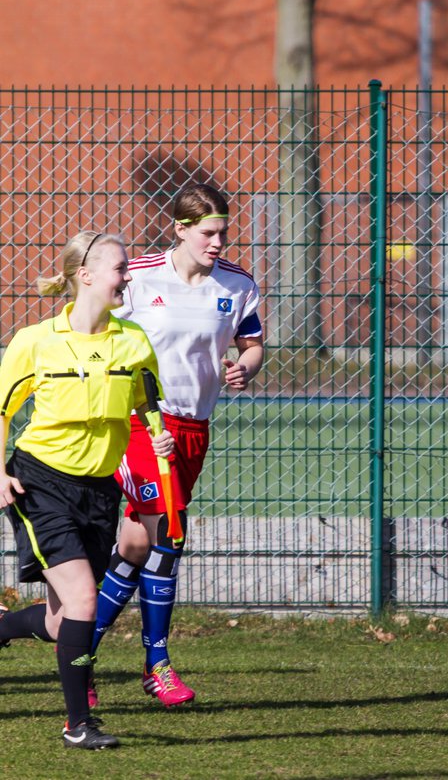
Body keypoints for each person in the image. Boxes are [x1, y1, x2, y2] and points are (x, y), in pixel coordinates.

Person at [90, 183, 264, 708]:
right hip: (142, 425)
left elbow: (252, 344)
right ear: (181, 229)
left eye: (223, 233)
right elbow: (96, 334)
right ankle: (158, 665)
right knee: (170, 530)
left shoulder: (237, 284)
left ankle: (79, 653)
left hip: (194, 428)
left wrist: (244, 369)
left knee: (136, 547)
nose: (217, 243)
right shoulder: (139, 278)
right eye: (207, 233)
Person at [0, 232, 175, 750]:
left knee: (60, 622)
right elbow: (2, 411)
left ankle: (5, 628)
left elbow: (147, 407)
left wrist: (158, 435)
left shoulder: (134, 341)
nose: (129, 276)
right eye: (121, 268)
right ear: (88, 275)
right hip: (40, 482)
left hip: (100, 492)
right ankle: (79, 724)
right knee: (83, 599)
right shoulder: (35, 341)